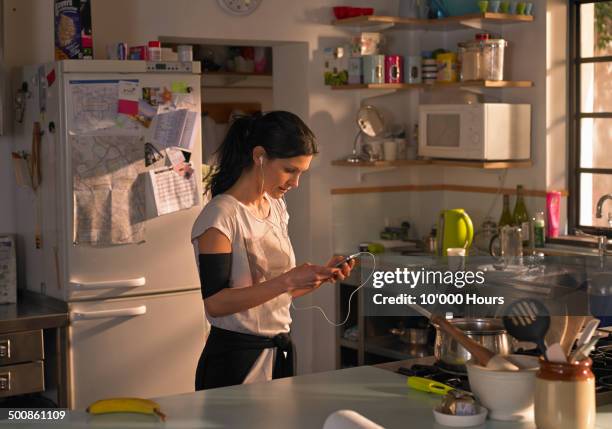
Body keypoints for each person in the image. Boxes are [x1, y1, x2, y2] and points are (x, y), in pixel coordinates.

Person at [191, 111, 355, 390]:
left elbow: (273, 293)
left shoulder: (275, 207)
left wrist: (318, 276)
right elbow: (216, 304)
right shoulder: (220, 217)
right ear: (259, 156)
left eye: (301, 172)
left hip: (278, 352)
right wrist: (288, 280)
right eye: (290, 170)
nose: (295, 182)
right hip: (235, 361)